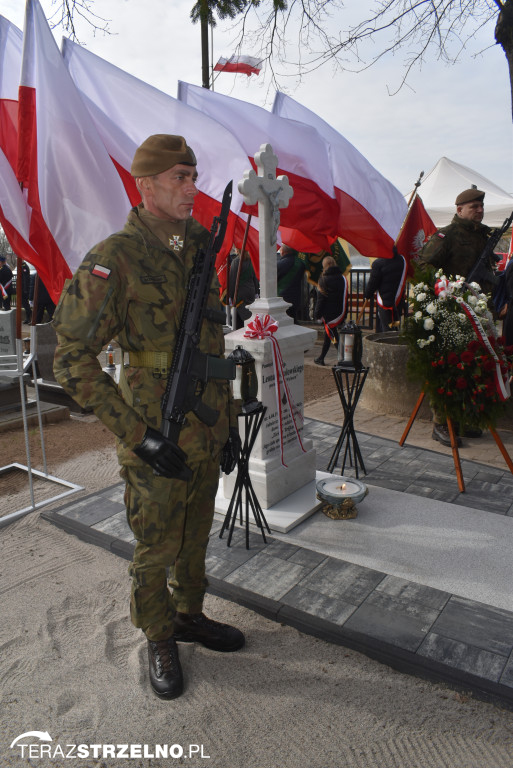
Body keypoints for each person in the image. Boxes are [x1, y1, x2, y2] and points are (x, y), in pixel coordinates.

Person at [53, 134, 244, 701]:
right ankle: (159, 635)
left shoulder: (198, 248)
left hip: (204, 425)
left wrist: (227, 421)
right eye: (180, 177)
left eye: (194, 175)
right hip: (154, 430)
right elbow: (70, 356)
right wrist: (137, 434)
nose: (192, 188)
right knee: (156, 545)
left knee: (196, 537)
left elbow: (210, 342)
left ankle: (189, 615)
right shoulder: (117, 257)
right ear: (147, 184)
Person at [418, 187, 494, 447]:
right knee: (447, 366)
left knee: (472, 363)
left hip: (474, 310)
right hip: (449, 309)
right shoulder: (446, 235)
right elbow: (424, 264)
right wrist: (445, 287)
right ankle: (441, 423)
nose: (480, 210)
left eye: (481, 207)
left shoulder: (483, 237)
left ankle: (463, 418)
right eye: (474, 207)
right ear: (459, 210)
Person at [313, 255, 348, 365]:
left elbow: (320, 300)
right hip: (340, 311)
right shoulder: (343, 278)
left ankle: (344, 359)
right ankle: (321, 358)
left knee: (333, 337)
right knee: (330, 336)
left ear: (325, 266)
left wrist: (317, 315)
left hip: (328, 314)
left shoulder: (323, 280)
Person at [364, 247, 407, 333]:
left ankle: (386, 344)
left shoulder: (378, 263)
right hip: (398, 299)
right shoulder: (402, 260)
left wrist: (367, 294)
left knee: (386, 328)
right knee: (395, 325)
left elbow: (373, 282)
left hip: (385, 300)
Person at [228, 248, 259, 329]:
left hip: (240, 293)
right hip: (251, 291)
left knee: (245, 317)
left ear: (237, 250)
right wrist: (256, 292)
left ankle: (250, 329)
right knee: (245, 313)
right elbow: (254, 277)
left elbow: (232, 280)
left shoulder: (236, 261)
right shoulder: (250, 260)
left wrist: (230, 296)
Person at [277, 244, 305, 322]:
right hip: (296, 298)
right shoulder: (300, 264)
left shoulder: (278, 265)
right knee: (293, 320)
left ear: (282, 251)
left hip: (282, 299)